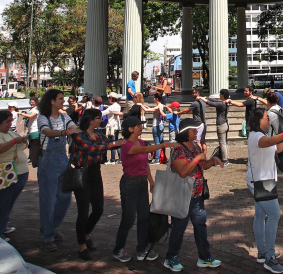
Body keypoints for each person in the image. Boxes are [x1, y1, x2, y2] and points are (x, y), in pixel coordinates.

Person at [164, 118, 224, 271]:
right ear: (186, 132)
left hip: (196, 195)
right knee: (179, 227)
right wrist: (197, 159)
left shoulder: (195, 146)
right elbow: (183, 172)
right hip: (181, 195)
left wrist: (212, 160)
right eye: (194, 130)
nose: (196, 132)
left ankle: (204, 257)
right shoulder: (178, 150)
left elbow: (202, 165)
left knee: (200, 225)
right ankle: (171, 257)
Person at [113, 115, 175, 262]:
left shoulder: (139, 141)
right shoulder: (127, 145)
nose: (141, 127)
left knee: (144, 217)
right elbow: (145, 149)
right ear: (130, 129)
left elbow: (145, 164)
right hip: (129, 184)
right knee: (128, 219)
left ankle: (142, 248)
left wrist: (151, 181)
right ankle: (118, 249)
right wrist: (165, 145)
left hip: (141, 183)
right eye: (138, 125)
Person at [247, 108, 283, 272]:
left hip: (262, 180)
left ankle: (263, 252)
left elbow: (275, 149)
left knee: (260, 215)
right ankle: (269, 257)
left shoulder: (261, 137)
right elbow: (270, 143)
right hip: (262, 182)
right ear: (258, 120)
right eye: (266, 117)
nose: (268, 120)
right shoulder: (257, 137)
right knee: (274, 215)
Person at [67, 109, 120, 260]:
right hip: (82, 173)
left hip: (95, 172)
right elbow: (91, 149)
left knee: (98, 209)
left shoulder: (98, 134)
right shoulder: (79, 134)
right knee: (83, 211)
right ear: (91, 120)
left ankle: (85, 233)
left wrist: (123, 142)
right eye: (99, 118)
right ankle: (82, 245)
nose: (101, 120)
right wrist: (112, 145)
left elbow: (109, 143)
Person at [36, 89, 81, 251]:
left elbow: (74, 126)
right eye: (61, 98)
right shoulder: (42, 118)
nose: (64, 101)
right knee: (47, 200)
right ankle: (47, 237)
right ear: (52, 101)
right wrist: (67, 132)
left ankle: (50, 227)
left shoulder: (64, 116)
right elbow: (47, 132)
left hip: (63, 159)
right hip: (48, 160)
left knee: (65, 198)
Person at [0, 110, 29, 240]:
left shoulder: (10, 133)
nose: (10, 124)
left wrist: (22, 141)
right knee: (0, 204)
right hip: (2, 173)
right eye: (7, 121)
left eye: (11, 121)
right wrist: (15, 141)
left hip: (17, 173)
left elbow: (22, 145)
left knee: (7, 203)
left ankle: (1, 226)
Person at [205, 89, 232, 165]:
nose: (219, 96)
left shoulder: (222, 104)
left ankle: (224, 159)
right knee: (225, 142)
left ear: (223, 95)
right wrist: (207, 97)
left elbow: (212, 103)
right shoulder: (225, 102)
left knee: (222, 143)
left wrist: (204, 100)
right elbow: (214, 100)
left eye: (220, 94)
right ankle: (226, 157)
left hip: (221, 125)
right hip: (225, 124)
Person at [146, 93, 169, 164]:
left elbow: (149, 110)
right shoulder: (161, 105)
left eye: (154, 98)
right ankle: (163, 157)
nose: (153, 99)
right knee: (161, 142)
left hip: (156, 125)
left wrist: (141, 105)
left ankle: (157, 159)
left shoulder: (159, 106)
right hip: (160, 124)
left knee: (157, 142)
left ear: (157, 99)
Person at [105, 93, 124, 164]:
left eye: (109, 98)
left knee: (113, 143)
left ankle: (112, 159)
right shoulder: (117, 106)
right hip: (116, 126)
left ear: (112, 98)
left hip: (112, 126)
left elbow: (104, 112)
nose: (108, 99)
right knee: (116, 142)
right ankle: (120, 158)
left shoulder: (111, 107)